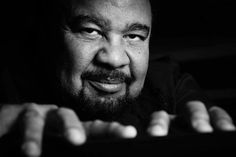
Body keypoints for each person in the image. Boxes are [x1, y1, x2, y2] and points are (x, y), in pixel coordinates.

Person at [0, 0, 235, 157]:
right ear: (46, 36)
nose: (114, 59)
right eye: (90, 31)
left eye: (134, 36)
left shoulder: (169, 85)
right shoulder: (7, 86)